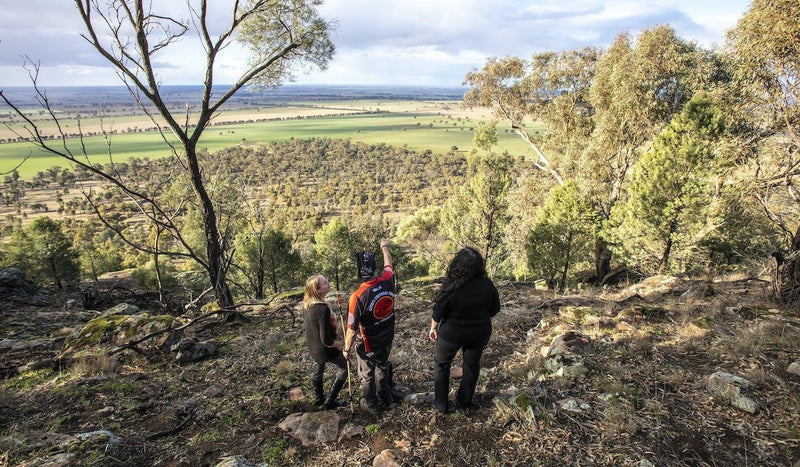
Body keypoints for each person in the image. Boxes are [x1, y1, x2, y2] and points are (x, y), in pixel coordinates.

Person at [429, 247, 500, 414]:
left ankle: (441, 404)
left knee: (442, 365)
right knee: (471, 366)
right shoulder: (487, 285)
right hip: (479, 333)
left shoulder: (451, 285)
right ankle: (465, 402)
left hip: (450, 335)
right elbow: (495, 310)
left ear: (458, 264)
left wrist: (433, 328)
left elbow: (438, 311)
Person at [343, 240, 395, 416]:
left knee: (366, 374)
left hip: (368, 344)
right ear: (375, 270)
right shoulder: (388, 280)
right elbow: (389, 264)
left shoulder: (357, 297)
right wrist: (384, 247)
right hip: (387, 337)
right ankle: (386, 398)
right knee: (382, 366)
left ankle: (372, 404)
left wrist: (346, 349)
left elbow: (351, 329)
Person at [302, 274, 348, 410]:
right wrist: (338, 345)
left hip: (314, 347)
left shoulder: (307, 305)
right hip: (326, 347)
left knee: (318, 368)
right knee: (345, 367)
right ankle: (330, 401)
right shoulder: (322, 309)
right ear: (317, 289)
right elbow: (326, 340)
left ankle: (319, 398)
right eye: (324, 283)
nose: (328, 283)